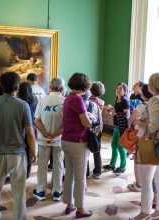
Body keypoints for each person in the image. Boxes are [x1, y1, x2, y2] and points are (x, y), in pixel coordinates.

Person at [0, 72, 37, 220]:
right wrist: (34, 151)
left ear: (0, 86)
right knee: (19, 191)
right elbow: (30, 133)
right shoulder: (23, 105)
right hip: (17, 152)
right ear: (17, 87)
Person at [130, 72, 159, 220]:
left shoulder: (155, 100)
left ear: (155, 84)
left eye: (150, 81)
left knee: (146, 181)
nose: (147, 84)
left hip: (152, 144)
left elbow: (155, 127)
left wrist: (140, 122)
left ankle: (145, 213)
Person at [61, 73, 92, 218]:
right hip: (77, 141)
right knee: (80, 177)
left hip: (66, 139)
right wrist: (91, 120)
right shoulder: (77, 99)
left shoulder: (68, 97)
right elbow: (85, 122)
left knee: (69, 174)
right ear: (84, 86)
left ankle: (69, 204)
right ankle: (80, 208)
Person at [32, 77, 66, 201]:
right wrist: (55, 134)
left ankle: (40, 191)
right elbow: (67, 123)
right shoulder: (65, 101)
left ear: (50, 87)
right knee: (58, 165)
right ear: (62, 88)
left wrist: (46, 134)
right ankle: (57, 191)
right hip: (59, 139)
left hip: (43, 139)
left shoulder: (42, 100)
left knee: (42, 164)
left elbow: (37, 120)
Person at [128, 84, 153, 192]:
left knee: (138, 161)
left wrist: (132, 126)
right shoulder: (156, 105)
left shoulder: (141, 106)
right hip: (154, 137)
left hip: (142, 136)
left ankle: (138, 184)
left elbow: (130, 120)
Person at [103, 82, 130, 175]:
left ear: (125, 91)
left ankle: (123, 167)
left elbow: (127, 115)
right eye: (117, 88)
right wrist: (110, 112)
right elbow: (116, 112)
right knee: (113, 145)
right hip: (116, 125)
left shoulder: (125, 101)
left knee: (120, 146)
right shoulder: (117, 99)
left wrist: (115, 113)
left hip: (122, 127)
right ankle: (112, 164)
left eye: (120, 89)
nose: (118, 90)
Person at [17, 82, 38, 179]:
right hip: (31, 128)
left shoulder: (17, 101)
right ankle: (27, 173)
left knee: (20, 150)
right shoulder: (34, 101)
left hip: (19, 128)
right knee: (29, 150)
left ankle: (19, 171)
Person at [89, 81, 105, 178]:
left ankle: (86, 171)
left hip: (89, 126)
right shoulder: (101, 102)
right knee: (97, 149)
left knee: (86, 149)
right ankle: (98, 171)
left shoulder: (87, 100)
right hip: (98, 127)